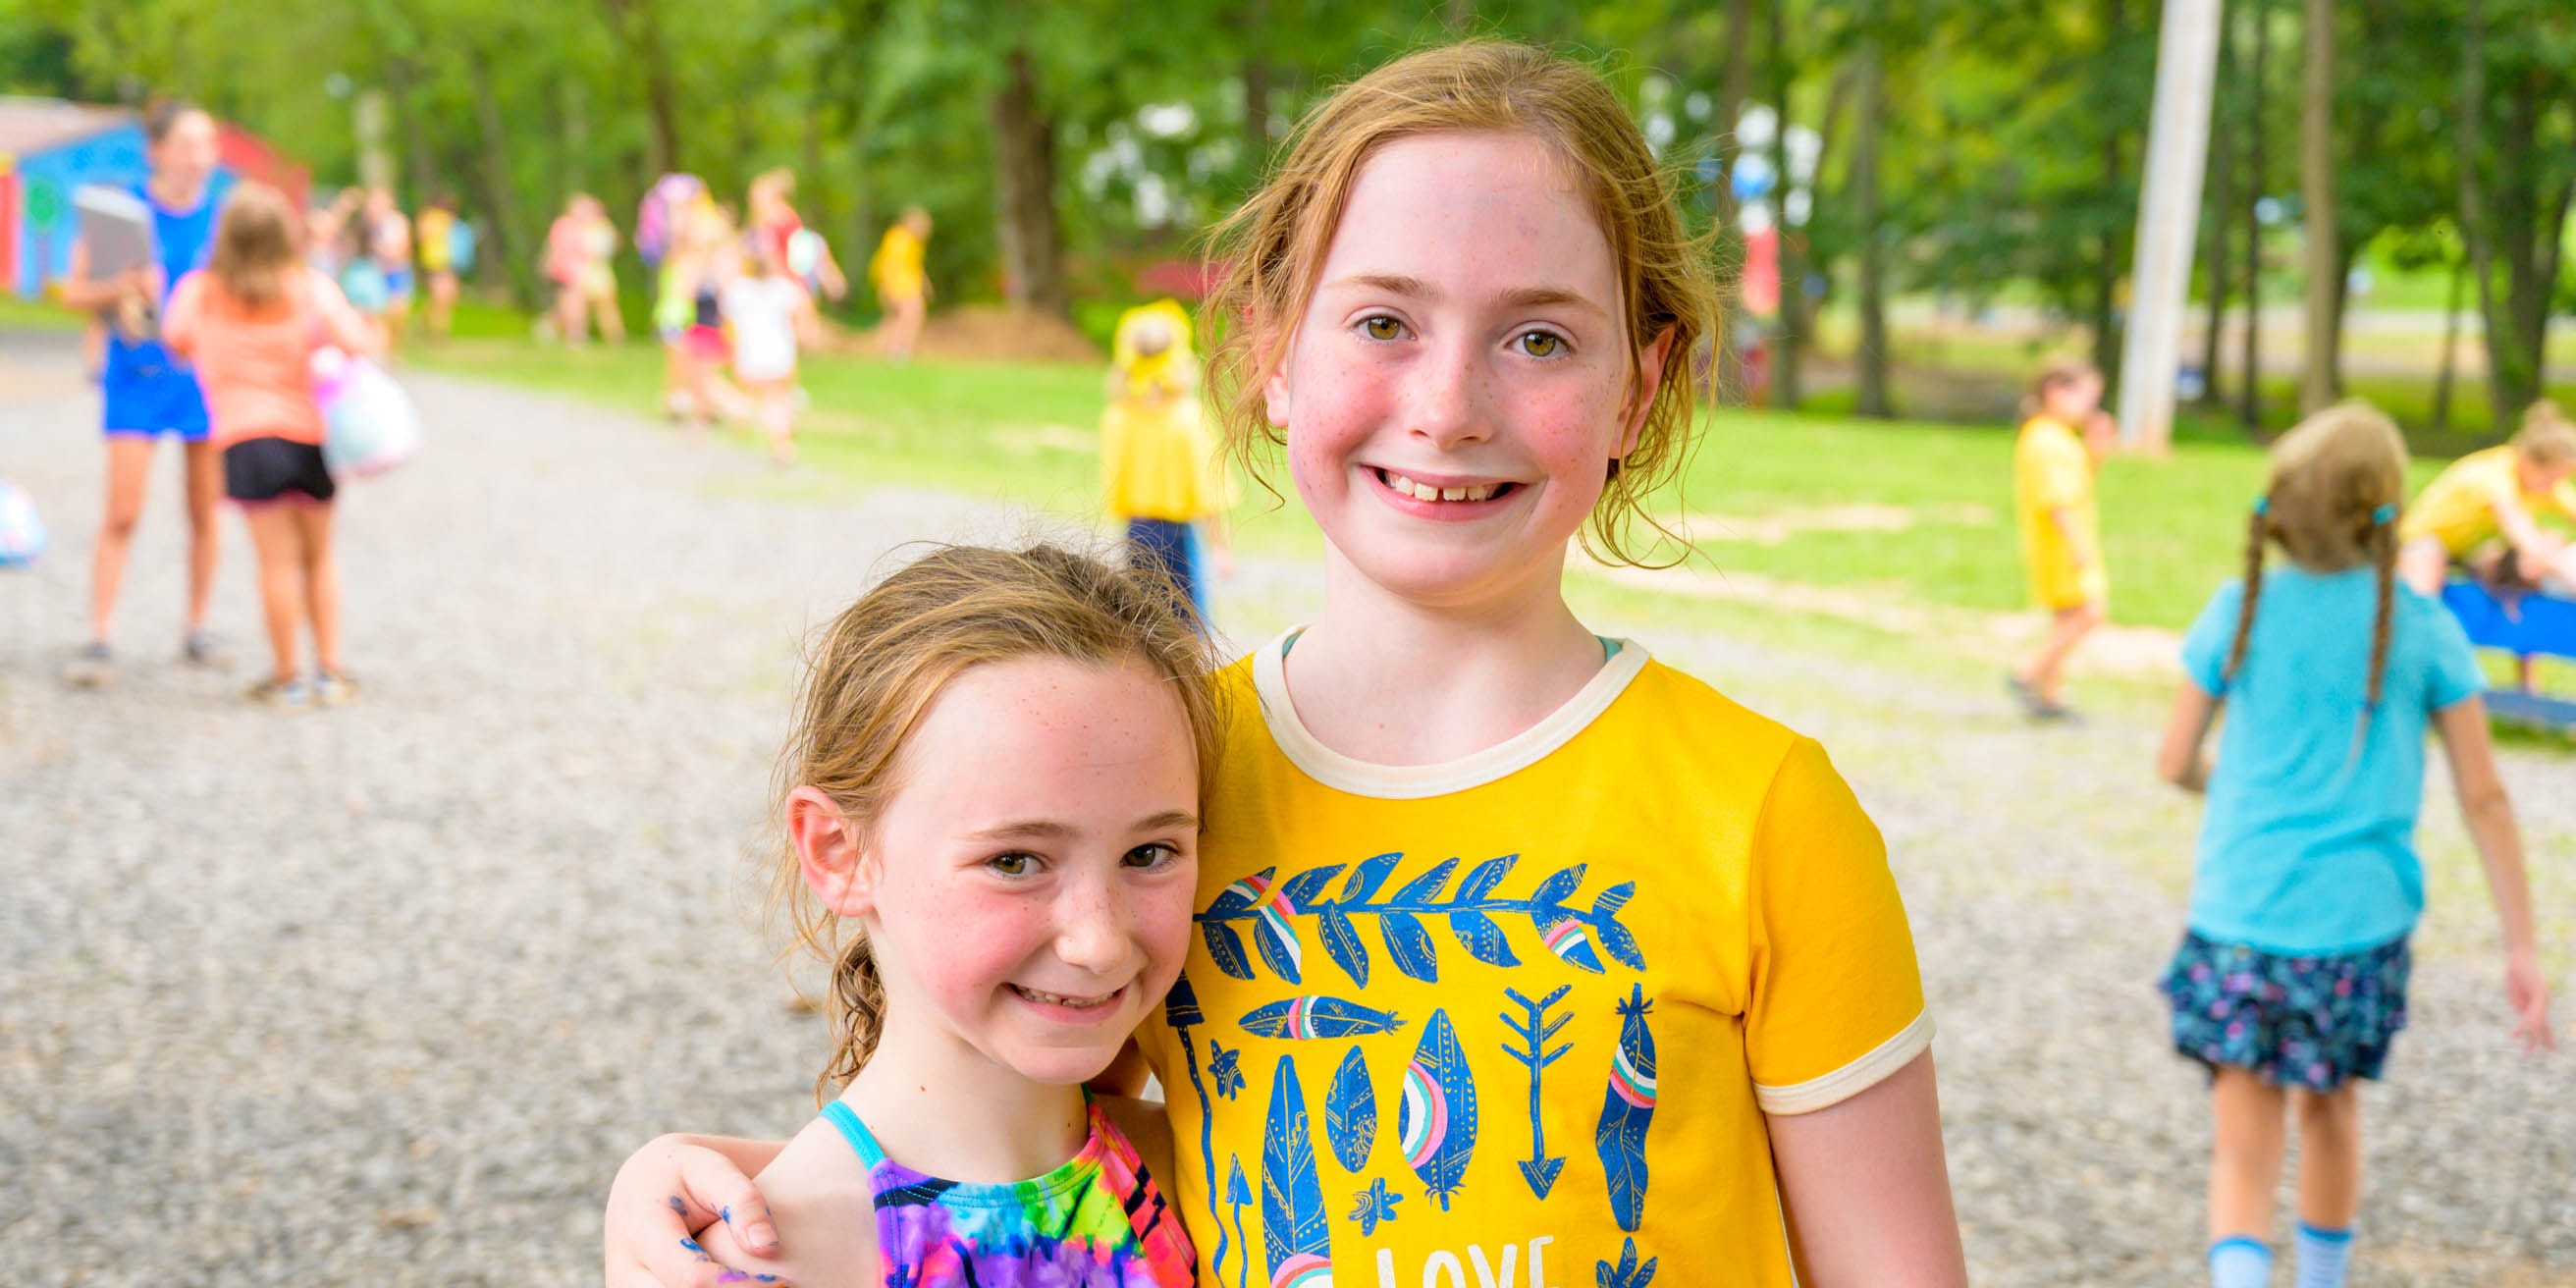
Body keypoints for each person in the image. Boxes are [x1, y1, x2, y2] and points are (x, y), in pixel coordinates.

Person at [605, 40, 1966, 1288]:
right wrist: (707, 1183)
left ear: (1641, 387)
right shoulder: (1150, 778)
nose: (1448, 406)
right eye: (1383, 322)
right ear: (1271, 350)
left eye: (1540, 336)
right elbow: (1016, 1144)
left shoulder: (1765, 814)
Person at [663, 543, 1217, 1287]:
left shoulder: (1221, 1174)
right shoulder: (774, 1259)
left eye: (1149, 853)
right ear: (839, 853)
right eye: (1015, 861)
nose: (1099, 941)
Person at [2152, 402, 2554, 1288]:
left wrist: (2229, 784)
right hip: (2356, 932)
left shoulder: (2237, 610)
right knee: (2330, 1112)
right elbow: (2484, 796)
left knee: (2240, 1145)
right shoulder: (2423, 628)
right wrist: (2520, 946)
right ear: (2387, 509)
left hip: (2240, 916)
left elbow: (2174, 760)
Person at [160, 183, 383, 708]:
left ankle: (287, 677)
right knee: (320, 558)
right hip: (309, 437)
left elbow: (174, 339)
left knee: (275, 564)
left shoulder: (201, 291)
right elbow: (355, 342)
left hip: (245, 440)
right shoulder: (308, 287)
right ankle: (330, 670)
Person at [54, 97, 231, 688]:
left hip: (203, 382)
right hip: (135, 378)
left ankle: (197, 627)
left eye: (206, 146)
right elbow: (72, 293)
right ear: (157, 151)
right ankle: (101, 636)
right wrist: (121, 285)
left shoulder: (226, 220)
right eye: (185, 146)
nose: (197, 158)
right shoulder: (119, 214)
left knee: (205, 511)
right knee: (122, 511)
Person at [2397, 401, 2576, 688]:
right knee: (2423, 589)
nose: (2554, 486)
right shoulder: (2494, 475)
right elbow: (2520, 530)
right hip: (2423, 541)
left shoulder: (2540, 481)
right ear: (2531, 463)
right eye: (2553, 478)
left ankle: (2528, 689)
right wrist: (2562, 566)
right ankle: (2411, 671)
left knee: (2523, 575)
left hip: (2468, 551)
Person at [1100, 299, 1231, 628]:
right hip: (1179, 535)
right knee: (1189, 624)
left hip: (1136, 531)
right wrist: (1220, 547)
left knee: (1144, 624)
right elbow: (1207, 491)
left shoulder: (1118, 417)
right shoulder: (1188, 419)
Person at [2010, 360, 2112, 721]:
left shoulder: (2056, 437)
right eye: (2085, 396)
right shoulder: (2045, 439)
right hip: (2061, 543)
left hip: (2062, 541)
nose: (2090, 406)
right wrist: (2075, 544)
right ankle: (2028, 674)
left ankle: (2048, 697)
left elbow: (2078, 485)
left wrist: (2095, 451)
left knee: (2066, 617)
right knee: (2089, 614)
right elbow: (2055, 499)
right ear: (2055, 391)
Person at [721, 235, 817, 465]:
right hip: (779, 353)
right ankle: (781, 442)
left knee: (764, 399)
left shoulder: (738, 290)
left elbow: (728, 325)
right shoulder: (784, 289)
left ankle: (771, 432)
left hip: (751, 354)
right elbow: (803, 314)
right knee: (776, 398)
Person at [653, 201, 743, 434]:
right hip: (698, 325)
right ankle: (698, 412)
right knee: (696, 376)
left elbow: (726, 296)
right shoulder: (695, 262)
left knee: (705, 377)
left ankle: (721, 413)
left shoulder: (726, 262)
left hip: (713, 327)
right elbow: (688, 291)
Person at [747, 168, 847, 302]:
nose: (753, 200)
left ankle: (830, 278)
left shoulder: (776, 217)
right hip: (793, 267)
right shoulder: (773, 217)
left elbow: (775, 251)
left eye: (758, 195)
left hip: (789, 271)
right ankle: (829, 278)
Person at [867, 207, 932, 361]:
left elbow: (914, 266)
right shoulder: (899, 239)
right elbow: (889, 264)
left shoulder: (913, 242)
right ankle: (898, 349)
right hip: (900, 285)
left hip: (908, 285)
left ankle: (894, 348)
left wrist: (925, 283)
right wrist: (885, 288)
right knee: (909, 315)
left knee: (902, 317)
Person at [363, 187, 414, 357]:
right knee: (377, 314)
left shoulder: (396, 222)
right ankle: (380, 351)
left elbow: (403, 248)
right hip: (376, 272)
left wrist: (387, 251)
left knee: (397, 313)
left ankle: (394, 350)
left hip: (396, 271)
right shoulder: (368, 225)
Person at [414, 191, 467, 341]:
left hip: (447, 263)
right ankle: (436, 332)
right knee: (440, 297)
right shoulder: (432, 218)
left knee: (446, 297)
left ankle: (432, 327)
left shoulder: (445, 220)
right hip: (437, 264)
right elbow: (423, 237)